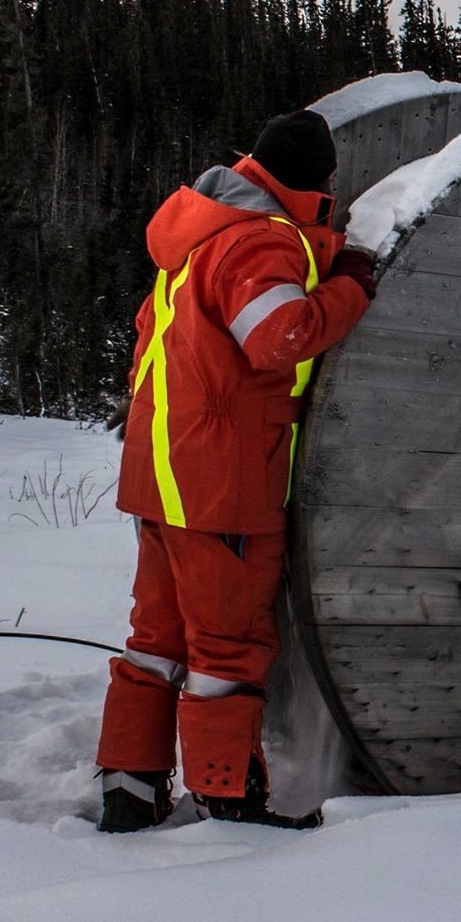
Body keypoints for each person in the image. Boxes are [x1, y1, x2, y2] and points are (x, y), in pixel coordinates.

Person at [95, 110, 378, 831]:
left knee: (156, 640)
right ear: (312, 184)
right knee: (226, 647)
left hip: (162, 479)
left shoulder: (203, 232)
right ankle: (226, 798)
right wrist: (350, 283)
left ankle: (129, 787)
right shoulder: (260, 239)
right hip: (221, 488)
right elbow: (280, 334)